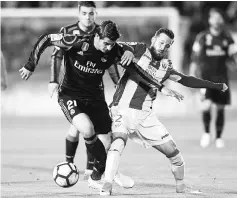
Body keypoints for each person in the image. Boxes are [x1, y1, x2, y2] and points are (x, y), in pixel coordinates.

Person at [19, 20, 181, 189]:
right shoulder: (78, 42)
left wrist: (161, 87)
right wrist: (31, 64)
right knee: (87, 129)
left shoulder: (114, 50)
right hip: (70, 96)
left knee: (109, 143)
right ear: (97, 36)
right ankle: (110, 173)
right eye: (106, 44)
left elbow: (136, 71)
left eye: (112, 44)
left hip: (96, 98)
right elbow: (46, 38)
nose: (109, 48)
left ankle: (97, 177)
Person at [99, 27, 228, 196]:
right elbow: (118, 47)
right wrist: (129, 50)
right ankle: (107, 184)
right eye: (160, 42)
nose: (162, 47)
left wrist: (215, 86)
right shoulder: (140, 49)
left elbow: (187, 80)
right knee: (118, 143)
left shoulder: (166, 67)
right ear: (153, 39)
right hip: (122, 110)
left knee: (174, 153)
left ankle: (181, 186)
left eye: (167, 45)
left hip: (145, 117)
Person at [48, 1, 121, 181]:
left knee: (91, 131)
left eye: (91, 13)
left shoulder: (103, 33)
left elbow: (111, 62)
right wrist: (53, 81)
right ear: (78, 14)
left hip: (95, 92)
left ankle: (91, 169)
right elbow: (56, 54)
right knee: (78, 129)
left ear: (96, 14)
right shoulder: (68, 31)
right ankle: (70, 163)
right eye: (85, 13)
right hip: (73, 90)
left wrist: (117, 82)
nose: (88, 17)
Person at [189, 8, 237, 148]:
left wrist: (233, 59)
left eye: (219, 18)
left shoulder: (227, 38)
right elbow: (194, 58)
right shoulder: (202, 37)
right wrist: (192, 73)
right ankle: (206, 134)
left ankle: (219, 138)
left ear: (221, 21)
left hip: (222, 78)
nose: (217, 20)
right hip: (206, 78)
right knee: (207, 106)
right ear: (210, 21)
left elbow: (233, 59)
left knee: (220, 108)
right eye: (214, 18)